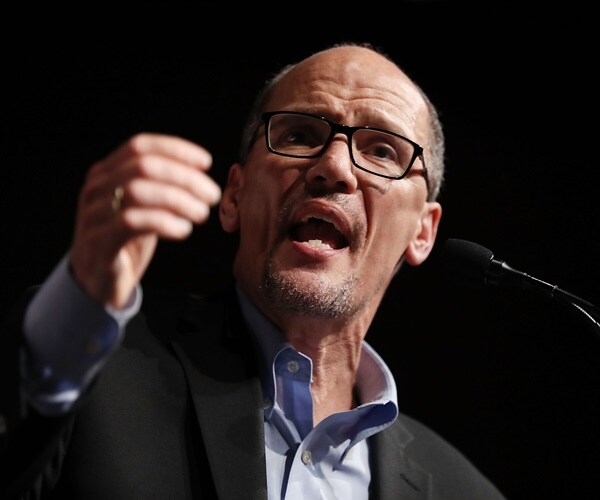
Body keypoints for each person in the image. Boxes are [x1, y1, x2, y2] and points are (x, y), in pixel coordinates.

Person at [0, 42, 506, 499]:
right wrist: (81, 301)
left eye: (380, 150)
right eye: (300, 133)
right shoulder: (89, 363)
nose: (334, 166)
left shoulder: (464, 490)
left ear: (423, 231)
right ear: (235, 196)